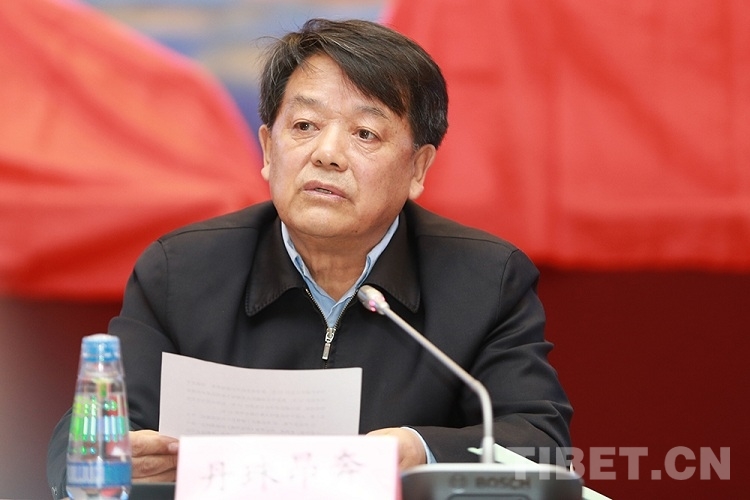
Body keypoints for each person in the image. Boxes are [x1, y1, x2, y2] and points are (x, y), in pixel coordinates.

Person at [47, 18, 572, 496]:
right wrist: (112, 456)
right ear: (267, 149)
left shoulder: (485, 279)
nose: (327, 154)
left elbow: (539, 442)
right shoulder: (181, 270)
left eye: (365, 133)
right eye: (304, 126)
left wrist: (419, 450)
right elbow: (83, 437)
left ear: (418, 168)